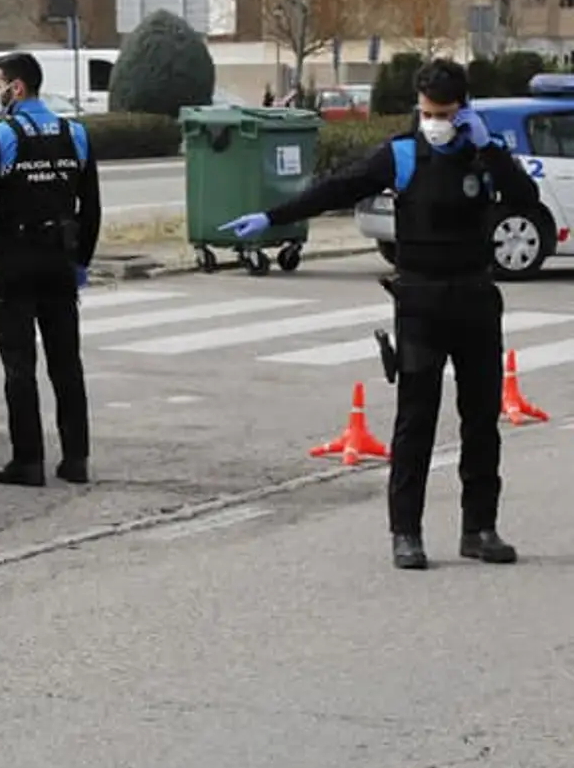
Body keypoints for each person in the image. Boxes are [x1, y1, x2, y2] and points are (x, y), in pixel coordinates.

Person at [220, 58, 537, 570]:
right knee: (416, 421)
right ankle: (406, 533)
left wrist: (489, 148)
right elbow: (339, 188)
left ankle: (479, 528)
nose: (435, 120)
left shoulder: (484, 155)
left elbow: (527, 199)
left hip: (475, 299)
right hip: (420, 303)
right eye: (428, 111)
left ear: (465, 109)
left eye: (445, 112)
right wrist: (272, 218)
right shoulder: (403, 155)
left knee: (481, 420)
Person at [0, 52, 103, 488]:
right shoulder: (75, 133)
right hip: (59, 261)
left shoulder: (0, 136)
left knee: (19, 366)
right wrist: (81, 262)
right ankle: (76, 460)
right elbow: (91, 208)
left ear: (16, 88)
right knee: (66, 364)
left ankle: (28, 462)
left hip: (13, 263)